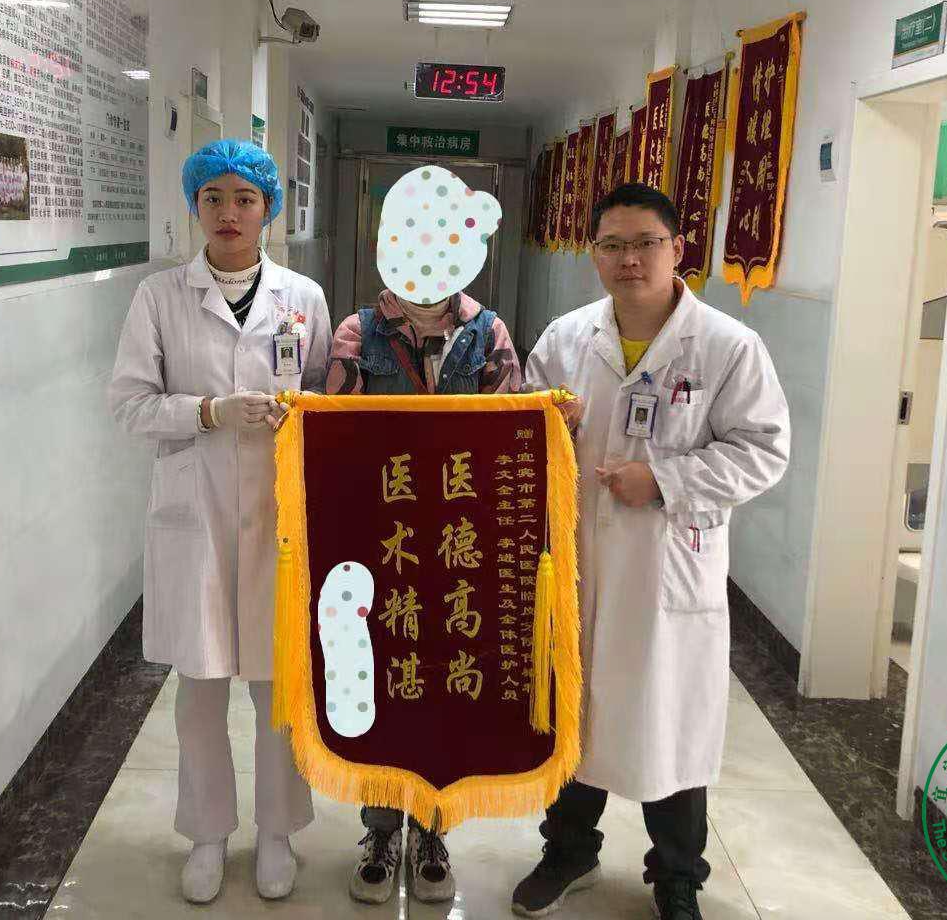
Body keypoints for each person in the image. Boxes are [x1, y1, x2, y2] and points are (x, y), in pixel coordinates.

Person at [514, 183, 790, 920]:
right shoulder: (567, 338)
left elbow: (763, 451)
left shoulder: (727, 346)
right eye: (612, 245)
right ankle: (567, 852)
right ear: (594, 254)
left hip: (668, 561)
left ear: (677, 250)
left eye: (645, 243)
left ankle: (677, 877)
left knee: (669, 721)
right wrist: (552, 427)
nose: (629, 260)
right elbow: (521, 431)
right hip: (580, 559)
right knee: (576, 711)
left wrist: (666, 481)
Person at [108, 139, 333, 906]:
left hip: (279, 515)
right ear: (194, 207)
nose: (229, 213)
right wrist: (209, 412)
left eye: (245, 198)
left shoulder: (303, 296)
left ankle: (277, 832)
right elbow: (129, 405)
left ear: (269, 208)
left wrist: (302, 415)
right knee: (200, 685)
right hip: (195, 512)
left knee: (277, 688)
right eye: (213, 198)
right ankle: (208, 835)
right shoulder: (159, 298)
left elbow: (325, 400)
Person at [326, 164, 519, 906]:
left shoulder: (488, 333)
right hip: (381, 541)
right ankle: (380, 830)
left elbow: (509, 428)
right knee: (382, 680)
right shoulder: (358, 332)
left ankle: (434, 829)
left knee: (443, 685)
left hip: (458, 545)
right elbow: (334, 428)